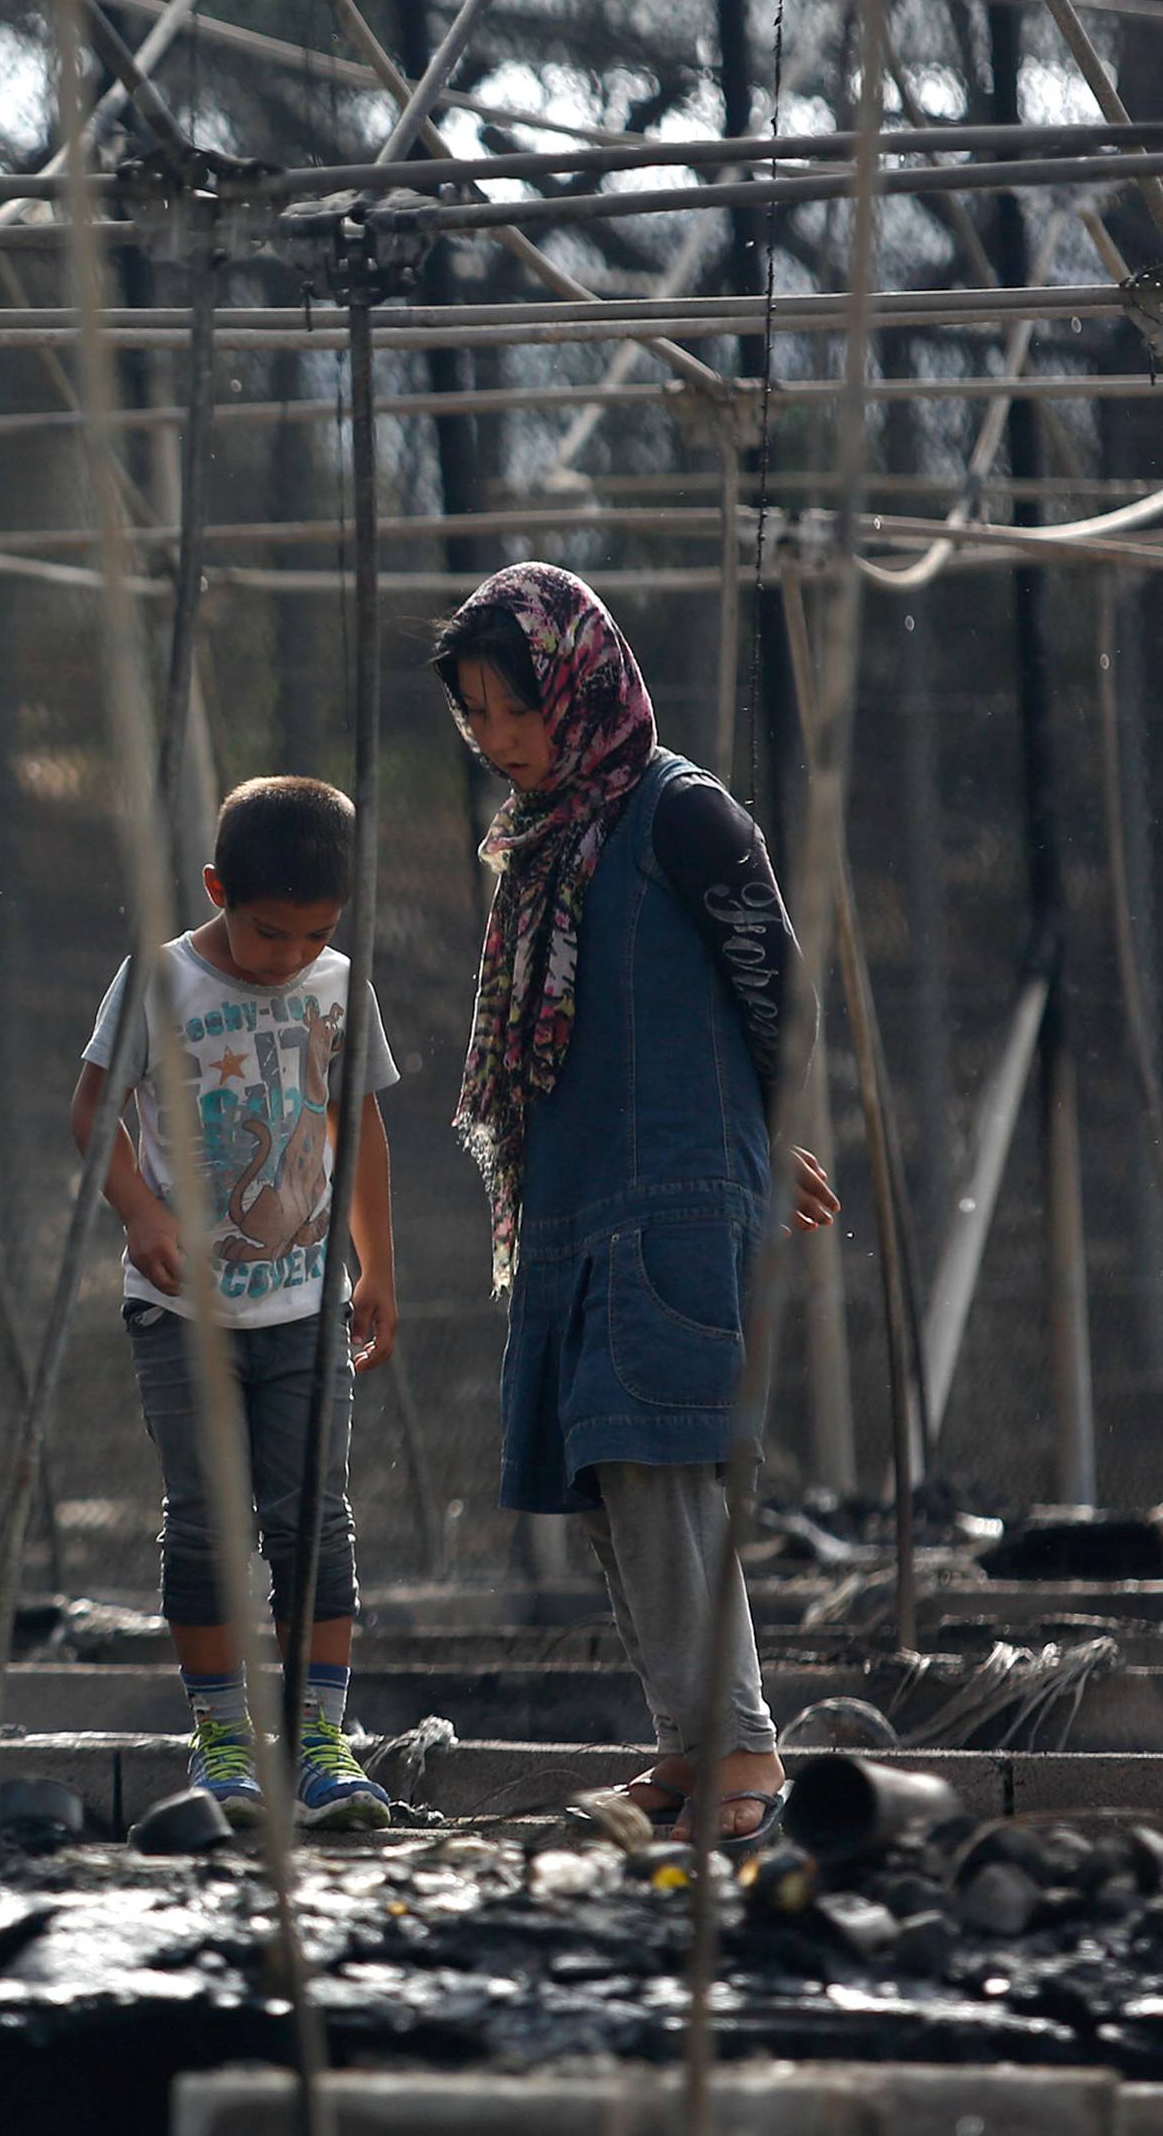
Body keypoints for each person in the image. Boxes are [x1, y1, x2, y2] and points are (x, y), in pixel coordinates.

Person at [431, 564, 839, 1850]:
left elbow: (779, 993)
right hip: (575, 1199)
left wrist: (767, 1143)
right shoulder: (546, 838)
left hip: (667, 1188)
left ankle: (744, 1751)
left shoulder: (683, 817)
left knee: (663, 1457)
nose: (496, 742)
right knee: (609, 1472)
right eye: (475, 720)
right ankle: (687, 1741)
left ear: (579, 686)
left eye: (513, 711)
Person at [73, 776, 400, 1833]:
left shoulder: (340, 986)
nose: (292, 956)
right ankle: (221, 1735)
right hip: (186, 1311)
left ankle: (318, 1737)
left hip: (307, 1304)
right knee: (209, 1520)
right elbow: (94, 1111)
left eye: (316, 934)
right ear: (218, 890)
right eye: (270, 933)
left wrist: (375, 1267)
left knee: (316, 1519)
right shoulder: (160, 982)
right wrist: (141, 1214)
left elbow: (363, 1130)